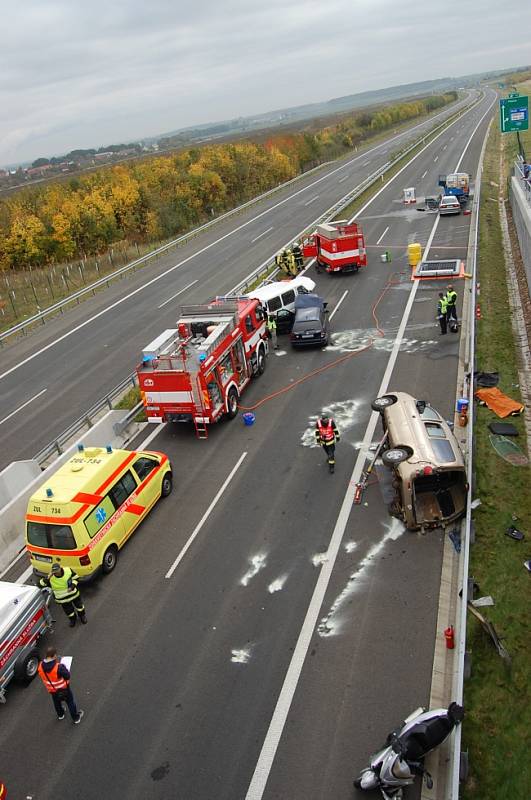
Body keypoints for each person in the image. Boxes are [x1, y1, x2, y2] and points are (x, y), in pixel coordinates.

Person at [38, 646, 84, 724]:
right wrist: (64, 668)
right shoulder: (59, 667)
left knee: (56, 702)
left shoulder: (40, 666)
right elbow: (67, 676)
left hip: (52, 690)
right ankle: (76, 718)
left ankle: (60, 714)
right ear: (54, 656)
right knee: (70, 702)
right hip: (64, 689)